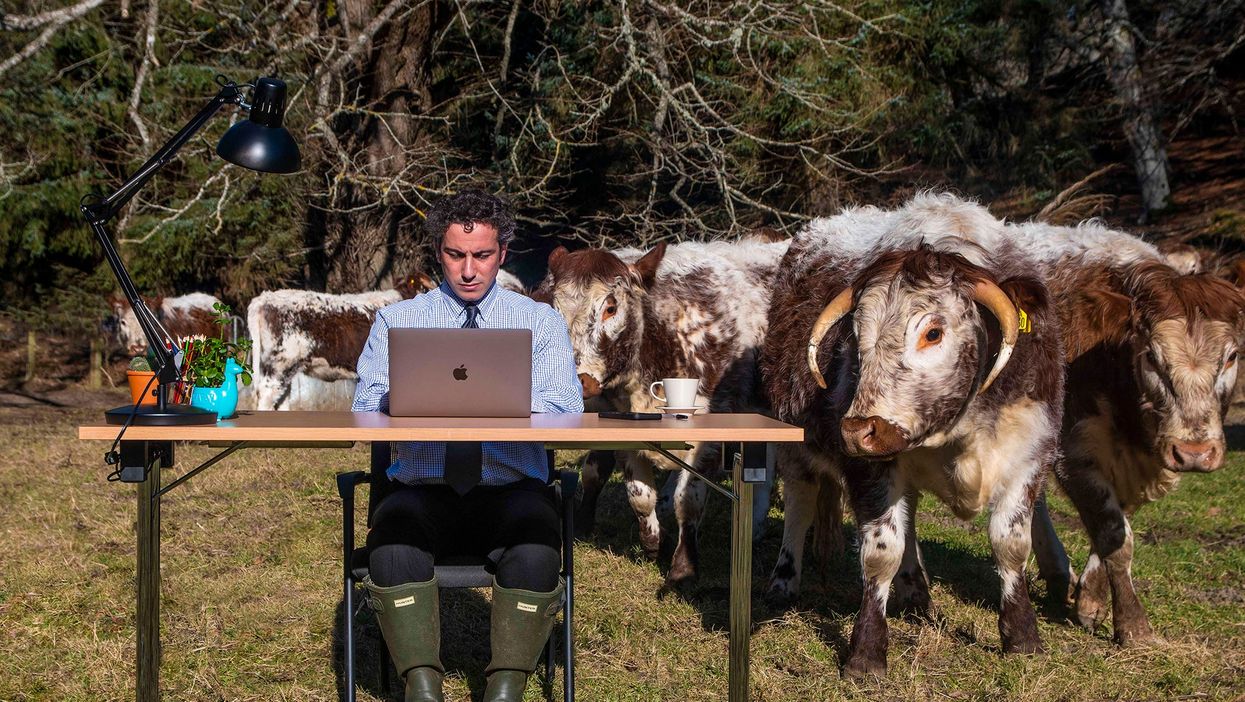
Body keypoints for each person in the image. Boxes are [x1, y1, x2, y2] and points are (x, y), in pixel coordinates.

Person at [352, 189, 583, 702]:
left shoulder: (538, 321)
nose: (469, 270)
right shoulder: (398, 321)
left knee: (538, 546)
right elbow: (366, 404)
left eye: (482, 255)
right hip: (423, 487)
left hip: (511, 488)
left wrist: (497, 391)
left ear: (502, 254)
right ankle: (422, 687)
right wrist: (403, 393)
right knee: (390, 546)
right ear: (440, 251)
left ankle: (506, 689)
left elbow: (565, 405)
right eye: (457, 255)